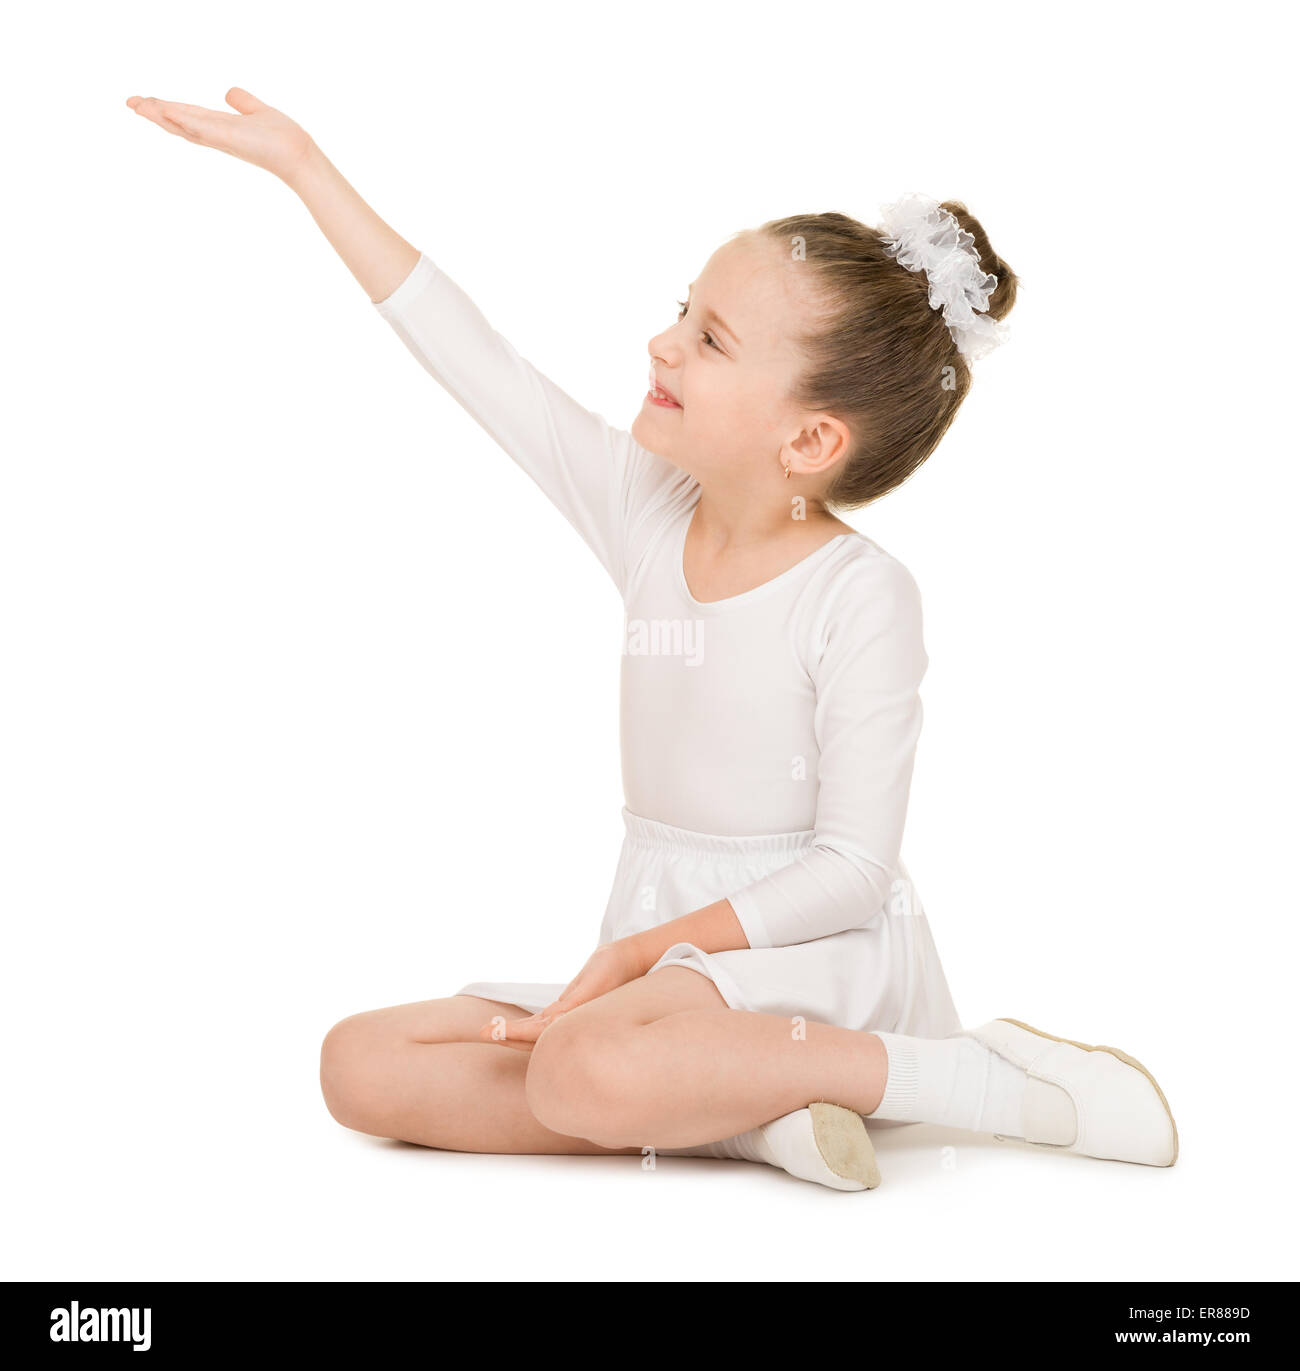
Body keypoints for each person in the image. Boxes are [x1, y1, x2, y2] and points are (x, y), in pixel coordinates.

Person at [126, 87, 1178, 1191]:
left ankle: (976, 1082)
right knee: (362, 1067)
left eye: (709, 339)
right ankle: (747, 1107)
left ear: (810, 438)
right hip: (665, 960)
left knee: (577, 1072)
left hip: (802, 957)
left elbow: (855, 873)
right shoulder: (645, 509)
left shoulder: (860, 595)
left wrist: (640, 955)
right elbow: (475, 360)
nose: (660, 343)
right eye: (683, 308)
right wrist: (305, 167)